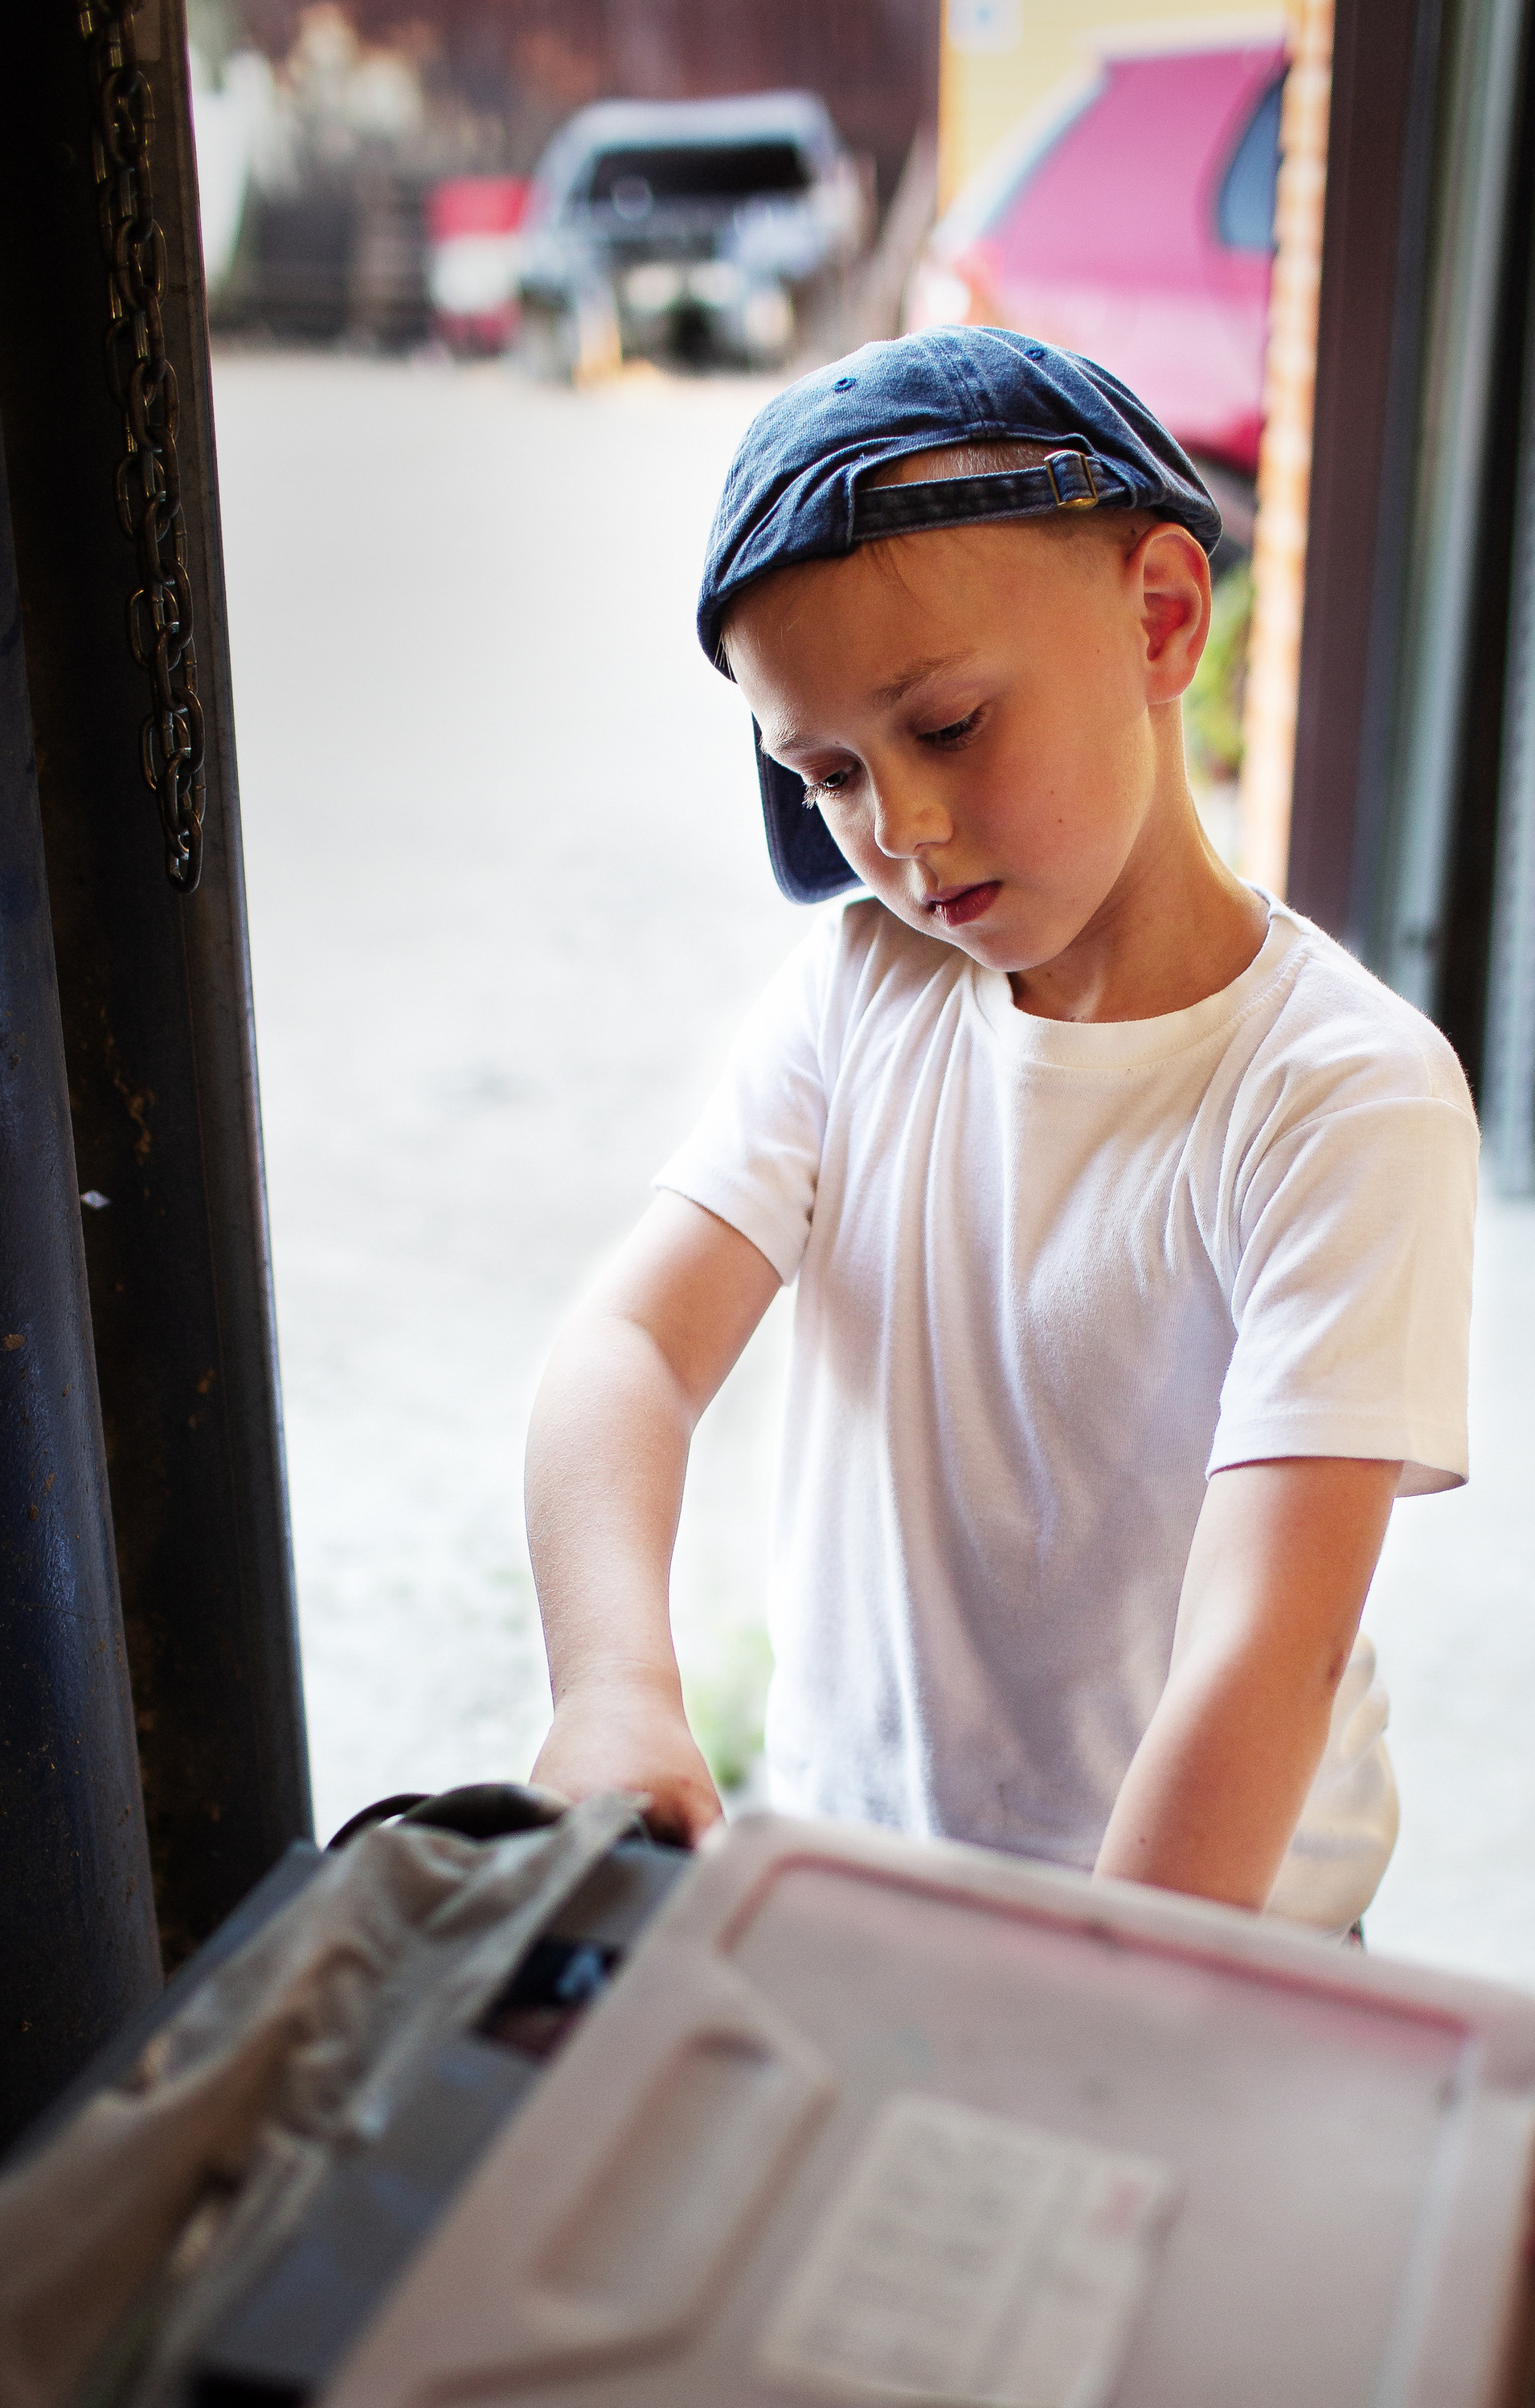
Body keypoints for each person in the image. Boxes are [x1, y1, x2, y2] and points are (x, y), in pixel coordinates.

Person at [524, 330, 1476, 1933]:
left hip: (1200, 1943)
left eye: (950, 725)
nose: (897, 828)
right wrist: (611, 1685)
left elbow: (1265, 1648)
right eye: (827, 774)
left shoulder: (1336, 1094)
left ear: (1161, 620)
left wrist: (1087, 1996)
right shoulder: (860, 993)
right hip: (861, 1894)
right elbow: (630, 1344)